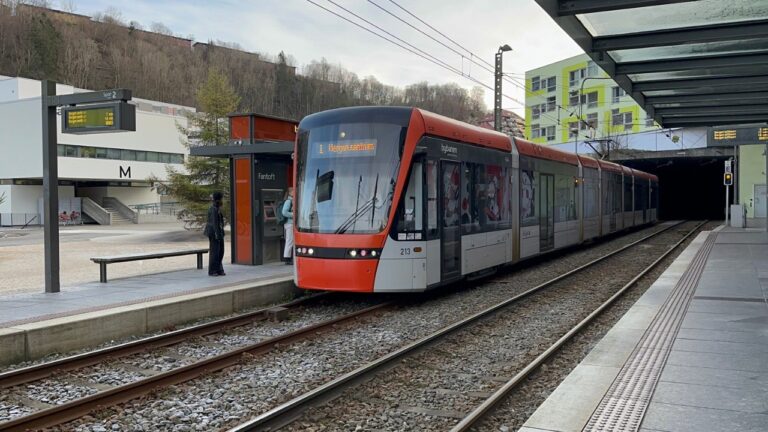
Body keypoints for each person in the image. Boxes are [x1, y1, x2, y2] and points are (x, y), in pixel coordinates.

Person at [205, 191, 225, 276]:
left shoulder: (217, 208)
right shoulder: (213, 208)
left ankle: (219, 269)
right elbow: (214, 223)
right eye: (221, 199)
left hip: (218, 233)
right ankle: (213, 270)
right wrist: (217, 234)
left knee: (220, 251)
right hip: (214, 233)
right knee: (215, 252)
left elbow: (219, 222)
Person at [282, 188, 294, 265]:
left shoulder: (291, 200)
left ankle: (289, 257)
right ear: (290, 192)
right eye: (293, 191)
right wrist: (293, 215)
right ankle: (287, 258)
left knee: (290, 241)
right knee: (289, 241)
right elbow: (284, 212)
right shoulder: (288, 201)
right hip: (289, 224)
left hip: (291, 224)